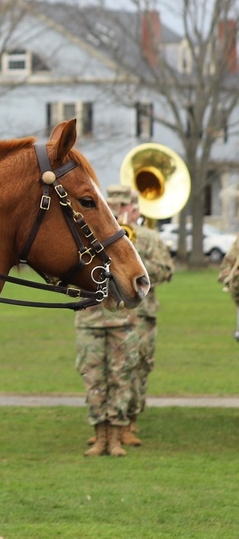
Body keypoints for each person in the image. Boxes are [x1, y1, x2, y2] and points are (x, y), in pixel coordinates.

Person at [74, 186, 142, 457]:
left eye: (120, 204)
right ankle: (100, 436)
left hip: (121, 320)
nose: (116, 207)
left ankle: (115, 438)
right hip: (90, 320)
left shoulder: (125, 238)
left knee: (120, 378)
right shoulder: (84, 240)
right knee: (93, 379)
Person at [121, 191, 174, 445]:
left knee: (138, 366)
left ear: (136, 210)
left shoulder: (150, 238)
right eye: (114, 205)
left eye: (124, 206)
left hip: (142, 313)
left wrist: (136, 264)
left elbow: (166, 270)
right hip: (111, 313)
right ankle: (109, 423)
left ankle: (131, 419)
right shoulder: (99, 232)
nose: (120, 210)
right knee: (111, 368)